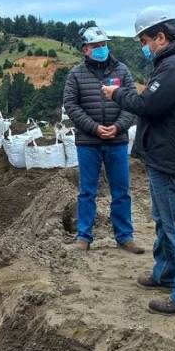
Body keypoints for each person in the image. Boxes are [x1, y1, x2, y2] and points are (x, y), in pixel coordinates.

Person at [101, 7, 175, 316]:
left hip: (172, 156)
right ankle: (166, 272)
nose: (144, 46)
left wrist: (117, 95)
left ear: (160, 36)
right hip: (172, 152)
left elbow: (148, 105)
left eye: (145, 40)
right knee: (165, 220)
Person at [62, 26, 142, 254]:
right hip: (88, 141)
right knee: (87, 191)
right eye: (96, 46)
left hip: (117, 141)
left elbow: (131, 102)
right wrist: (95, 128)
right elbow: (71, 105)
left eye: (104, 44)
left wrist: (117, 126)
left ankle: (125, 237)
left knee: (121, 190)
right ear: (85, 50)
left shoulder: (122, 71)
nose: (101, 49)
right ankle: (83, 237)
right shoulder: (76, 74)